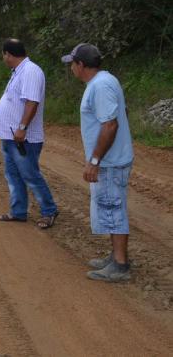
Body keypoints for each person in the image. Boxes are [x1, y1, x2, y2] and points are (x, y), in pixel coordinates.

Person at [62, 43, 134, 282]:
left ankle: (120, 265)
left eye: (72, 64)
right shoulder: (104, 80)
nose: (71, 68)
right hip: (111, 159)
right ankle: (116, 257)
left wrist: (94, 160)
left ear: (81, 65)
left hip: (110, 162)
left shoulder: (101, 86)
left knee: (113, 209)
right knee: (110, 207)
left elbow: (110, 125)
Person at [0, 39, 59, 228]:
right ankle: (18, 211)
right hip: (11, 135)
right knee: (13, 175)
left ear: (8, 54)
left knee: (30, 174)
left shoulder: (30, 71)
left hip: (23, 137)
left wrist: (22, 127)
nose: (4, 58)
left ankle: (49, 210)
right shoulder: (19, 71)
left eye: (4, 55)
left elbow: (32, 102)